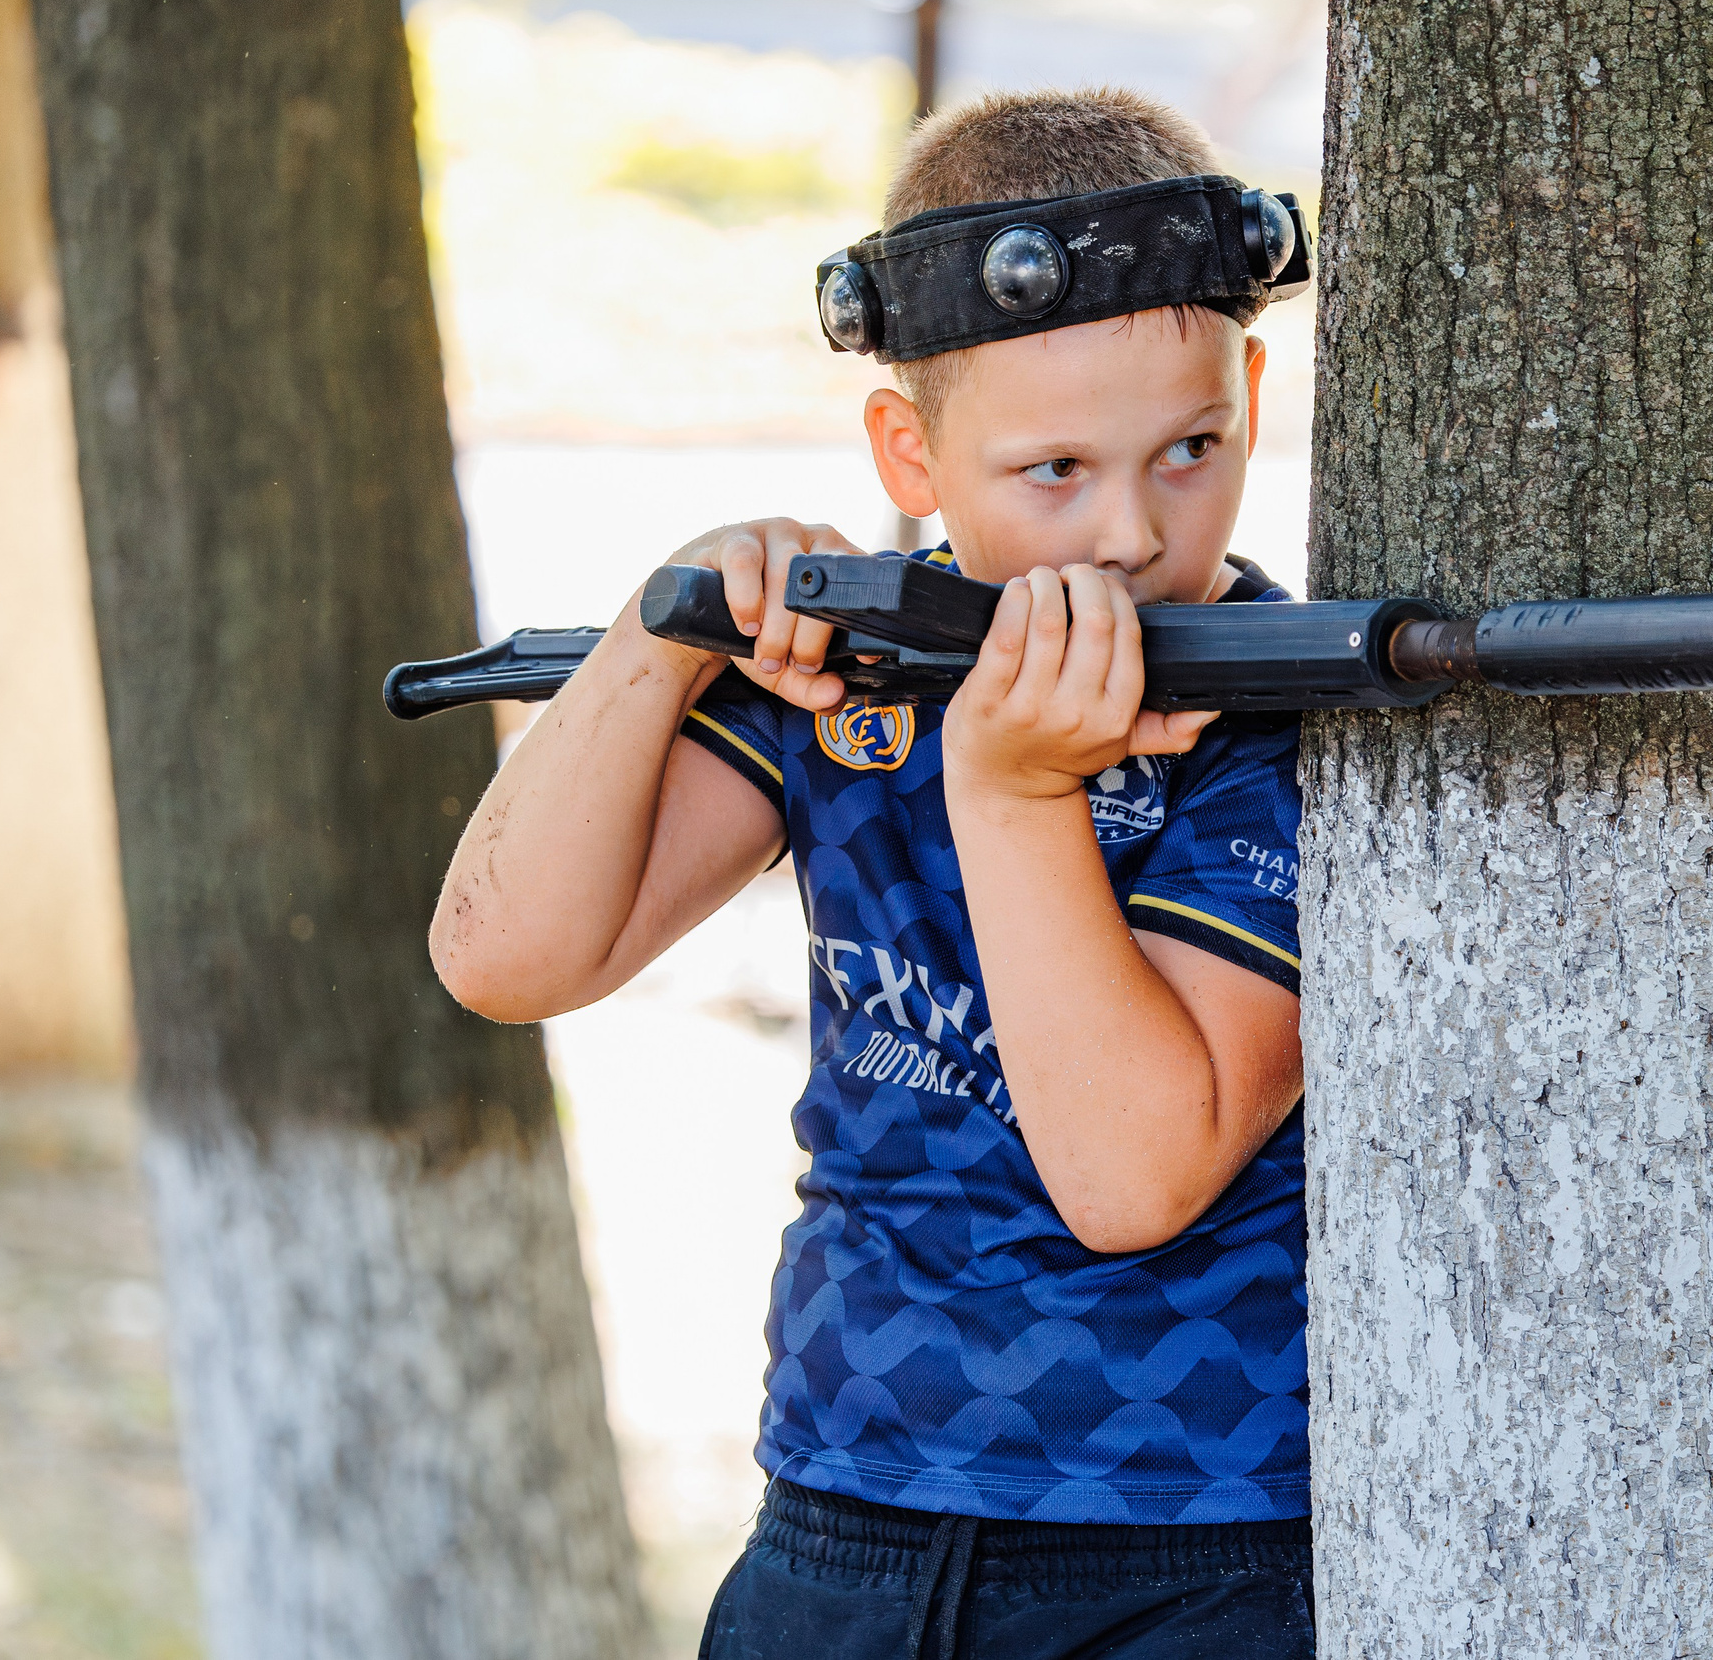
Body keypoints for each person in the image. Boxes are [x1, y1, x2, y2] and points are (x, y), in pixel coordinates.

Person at [431, 90, 1318, 1657]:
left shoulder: (1281, 722)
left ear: (1251, 390)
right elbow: (505, 954)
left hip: (1197, 1547)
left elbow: (1130, 1175)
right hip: (840, 1517)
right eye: (1053, 469)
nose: (1130, 529)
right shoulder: (856, 680)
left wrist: (1009, 782)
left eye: (1192, 447)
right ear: (909, 449)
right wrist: (666, 626)